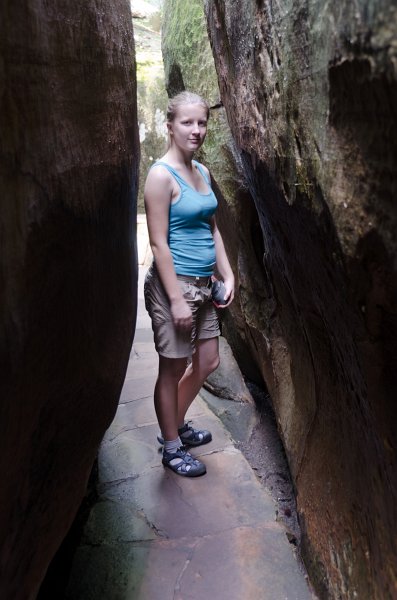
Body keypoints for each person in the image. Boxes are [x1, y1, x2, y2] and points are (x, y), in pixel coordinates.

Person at [144, 91, 234, 477]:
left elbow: (213, 230)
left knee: (209, 360)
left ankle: (174, 428)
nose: (196, 130)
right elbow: (158, 243)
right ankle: (171, 447)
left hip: (204, 284)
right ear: (170, 126)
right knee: (172, 366)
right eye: (187, 123)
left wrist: (227, 274)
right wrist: (177, 300)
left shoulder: (203, 172)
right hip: (174, 287)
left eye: (202, 123)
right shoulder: (161, 176)